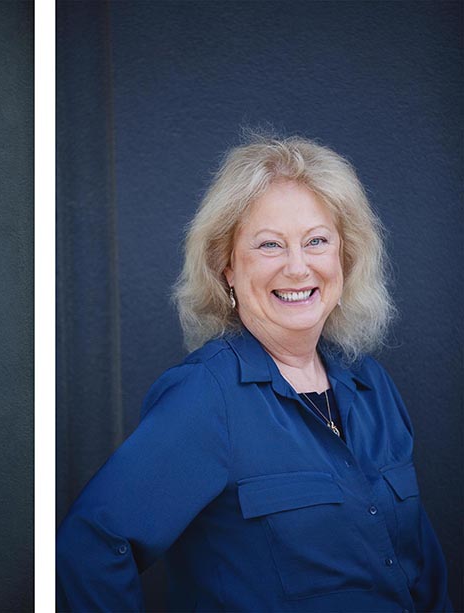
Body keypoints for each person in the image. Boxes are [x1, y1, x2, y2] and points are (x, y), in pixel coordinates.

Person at [56, 135, 452, 611]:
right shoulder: (207, 396)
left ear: (344, 257)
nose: (297, 267)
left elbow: (421, 570)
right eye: (270, 245)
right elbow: (93, 545)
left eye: (317, 241)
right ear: (226, 267)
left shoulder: (371, 386)